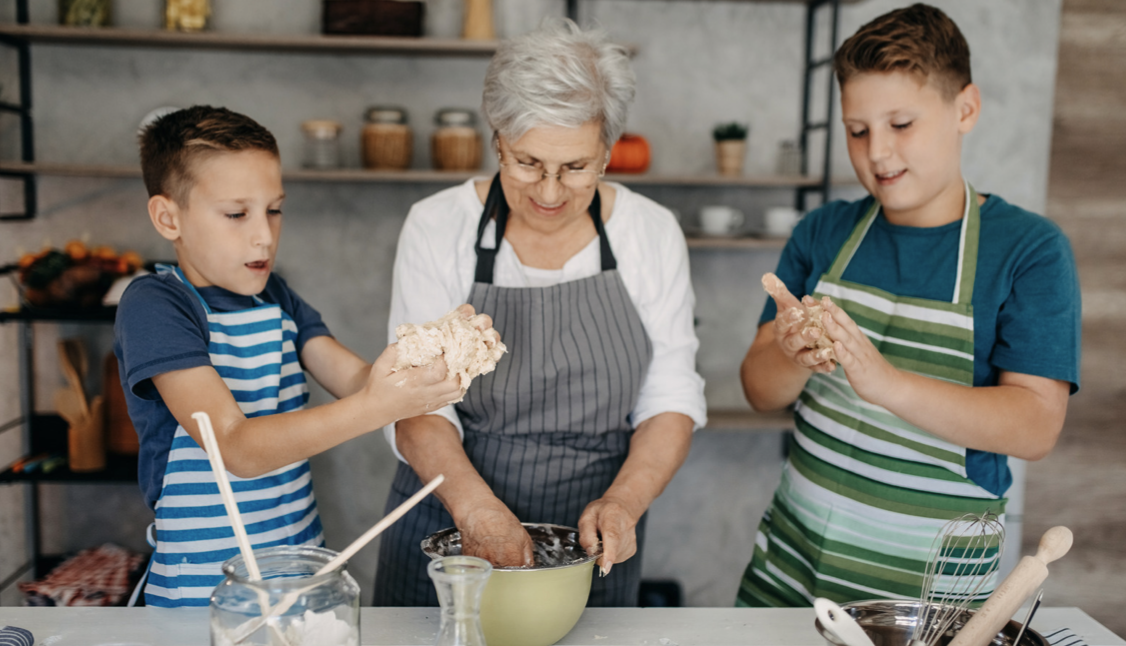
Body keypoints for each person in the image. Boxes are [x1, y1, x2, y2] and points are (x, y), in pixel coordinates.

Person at [736, 4, 1080, 607]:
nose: (877, 153)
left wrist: (887, 384)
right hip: (792, 576)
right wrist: (791, 355)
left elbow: (1035, 426)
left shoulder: (1027, 249)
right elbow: (760, 391)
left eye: (901, 123)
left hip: (926, 605)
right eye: (858, 129)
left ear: (965, 109)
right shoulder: (824, 233)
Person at [374, 19, 706, 607]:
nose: (549, 193)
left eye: (576, 168)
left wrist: (624, 502)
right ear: (497, 138)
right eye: (526, 163)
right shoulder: (437, 226)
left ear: (607, 151)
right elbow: (413, 400)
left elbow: (670, 396)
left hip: (593, 531)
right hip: (449, 509)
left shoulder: (649, 233)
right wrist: (475, 509)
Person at [115, 106, 467, 607]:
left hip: (301, 574)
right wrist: (377, 408)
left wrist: (432, 360)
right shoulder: (156, 305)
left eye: (273, 209)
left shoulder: (276, 296)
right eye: (237, 214)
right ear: (168, 217)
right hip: (205, 592)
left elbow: (359, 379)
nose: (264, 234)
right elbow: (234, 447)